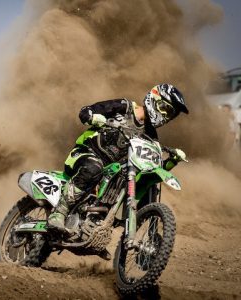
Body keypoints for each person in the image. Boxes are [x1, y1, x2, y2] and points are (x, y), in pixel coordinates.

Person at [48, 84, 189, 231]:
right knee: (94, 167)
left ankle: (106, 228)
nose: (166, 116)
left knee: (134, 181)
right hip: (87, 153)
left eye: (171, 115)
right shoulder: (124, 107)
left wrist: (172, 161)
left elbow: (153, 168)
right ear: (154, 99)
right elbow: (86, 110)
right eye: (165, 110)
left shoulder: (151, 135)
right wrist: (92, 117)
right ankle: (59, 213)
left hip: (112, 171)